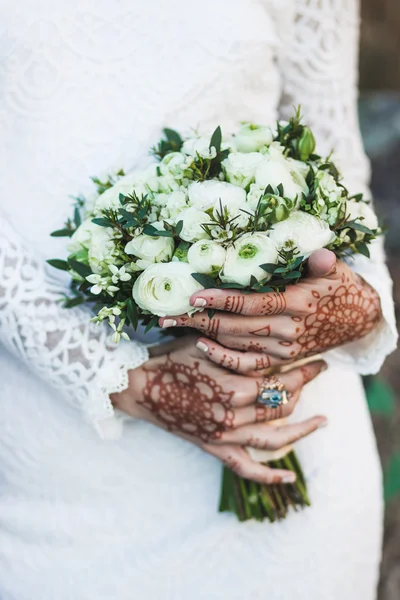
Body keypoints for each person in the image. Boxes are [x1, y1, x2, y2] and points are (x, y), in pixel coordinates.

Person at [0, 1, 397, 598]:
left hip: (290, 418)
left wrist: (353, 304)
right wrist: (128, 381)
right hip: (68, 461)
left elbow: (332, 147)